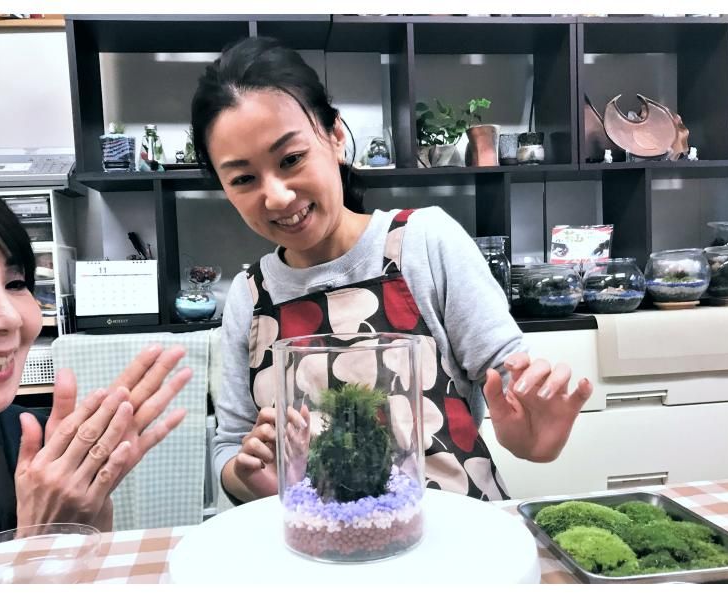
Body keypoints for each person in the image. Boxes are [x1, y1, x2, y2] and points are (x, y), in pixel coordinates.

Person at [191, 37, 593, 505]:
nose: (276, 196)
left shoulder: (423, 243)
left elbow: (516, 394)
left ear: (336, 136)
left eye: (291, 159)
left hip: (458, 536)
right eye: (243, 178)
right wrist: (250, 476)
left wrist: (532, 436)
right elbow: (230, 447)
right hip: (322, 548)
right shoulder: (249, 296)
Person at [0, 167, 193, 547]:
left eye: (16, 283)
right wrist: (35, 545)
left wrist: (81, 514)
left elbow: (90, 575)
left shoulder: (24, 442)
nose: (9, 316)